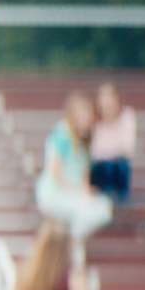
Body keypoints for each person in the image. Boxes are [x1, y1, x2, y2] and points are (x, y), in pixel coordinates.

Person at [35, 93, 113, 246]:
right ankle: (71, 243)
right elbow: (55, 173)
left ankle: (72, 241)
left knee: (103, 208)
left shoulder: (85, 142)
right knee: (83, 210)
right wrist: (75, 193)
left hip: (73, 192)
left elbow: (84, 176)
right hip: (57, 192)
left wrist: (85, 192)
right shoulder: (62, 134)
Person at [89, 81, 136, 205]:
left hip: (119, 169)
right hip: (101, 169)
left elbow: (127, 148)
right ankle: (106, 200)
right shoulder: (94, 119)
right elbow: (94, 151)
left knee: (119, 165)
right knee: (106, 166)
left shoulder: (127, 116)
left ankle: (119, 202)